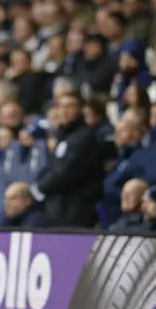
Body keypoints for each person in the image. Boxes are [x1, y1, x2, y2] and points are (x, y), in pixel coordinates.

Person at [30, 92, 105, 227]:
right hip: (58, 211)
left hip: (74, 213)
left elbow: (65, 172)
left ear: (80, 109)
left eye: (69, 107)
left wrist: (39, 187)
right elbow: (52, 167)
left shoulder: (84, 138)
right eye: (60, 107)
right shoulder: (64, 136)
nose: (63, 111)